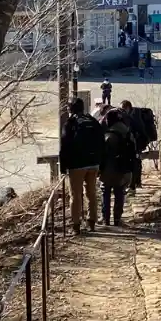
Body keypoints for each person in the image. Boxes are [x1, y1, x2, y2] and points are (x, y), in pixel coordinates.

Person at [58, 97, 104, 233]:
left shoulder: (70, 123)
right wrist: (100, 162)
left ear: (70, 109)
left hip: (77, 165)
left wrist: (63, 167)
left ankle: (76, 225)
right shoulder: (93, 121)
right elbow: (102, 142)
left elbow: (65, 147)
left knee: (76, 195)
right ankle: (91, 222)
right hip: (94, 164)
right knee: (91, 193)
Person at [99, 105, 138, 226]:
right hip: (123, 168)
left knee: (105, 191)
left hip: (107, 167)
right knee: (119, 192)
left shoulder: (106, 134)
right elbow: (134, 151)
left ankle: (105, 218)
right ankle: (117, 219)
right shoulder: (127, 133)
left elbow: (101, 152)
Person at [120, 99, 157, 190]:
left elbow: (141, 130)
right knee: (136, 162)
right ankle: (136, 182)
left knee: (135, 162)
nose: (122, 111)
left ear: (128, 107)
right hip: (134, 142)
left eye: (123, 109)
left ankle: (134, 184)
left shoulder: (135, 116)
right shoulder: (131, 114)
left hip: (137, 142)